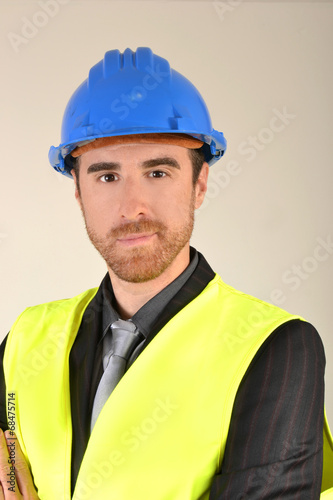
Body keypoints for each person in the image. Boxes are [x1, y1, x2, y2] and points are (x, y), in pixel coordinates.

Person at [0, 47, 332, 500]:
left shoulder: (273, 348)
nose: (132, 207)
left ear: (199, 184)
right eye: (106, 176)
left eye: (157, 172)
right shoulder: (25, 340)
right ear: (77, 191)